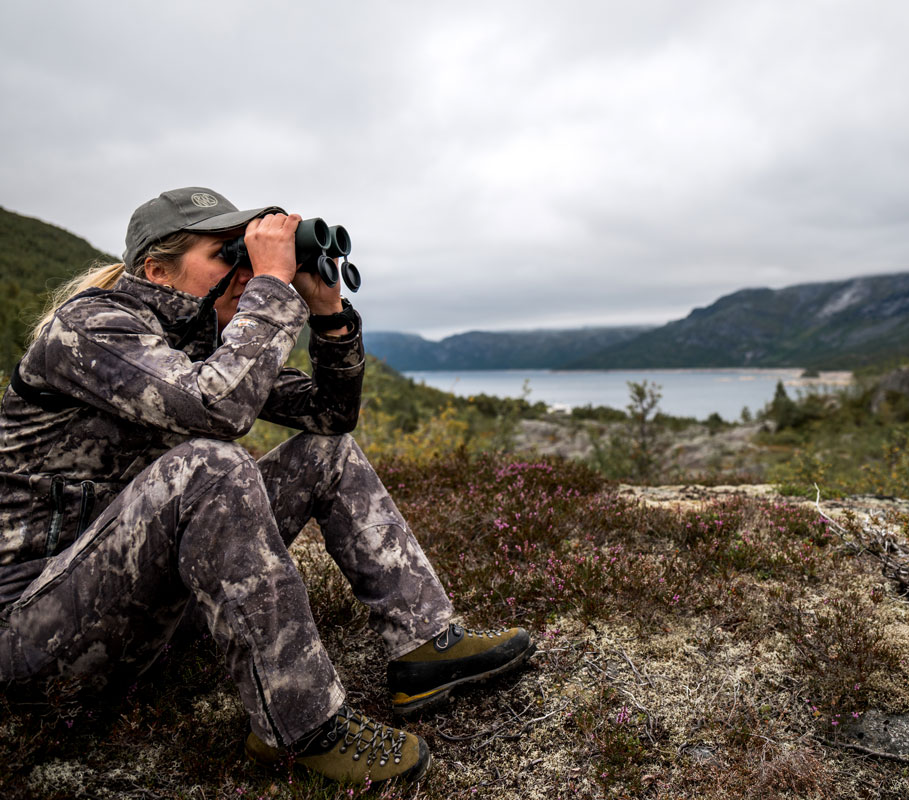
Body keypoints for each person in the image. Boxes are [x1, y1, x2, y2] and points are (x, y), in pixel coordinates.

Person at [0, 187, 534, 786]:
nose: (245, 270)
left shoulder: (200, 336)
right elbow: (217, 410)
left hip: (144, 612)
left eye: (248, 255)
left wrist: (327, 315)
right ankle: (301, 728)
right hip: (35, 635)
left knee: (324, 452)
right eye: (228, 253)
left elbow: (331, 414)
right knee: (210, 464)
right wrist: (273, 288)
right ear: (156, 269)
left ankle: (425, 647)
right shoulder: (91, 327)